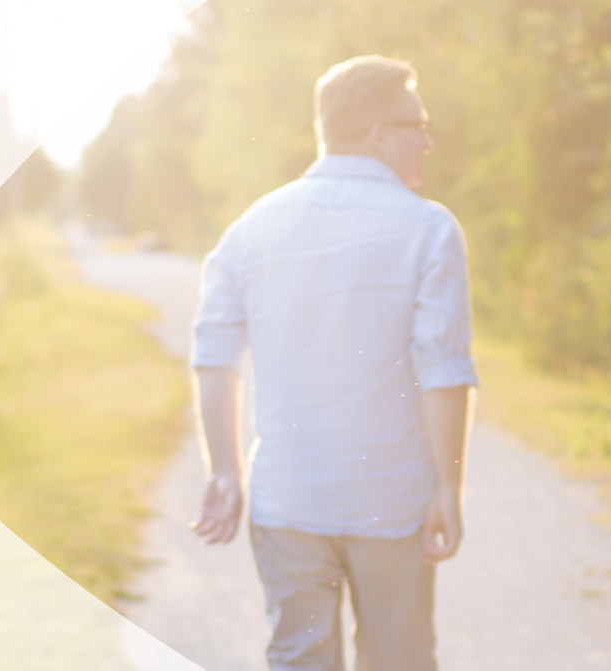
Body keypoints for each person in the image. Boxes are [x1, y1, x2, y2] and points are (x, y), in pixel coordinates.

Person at [186, 55, 479, 671]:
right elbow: (442, 370)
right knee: (399, 661)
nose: (427, 141)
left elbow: (214, 356)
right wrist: (448, 486)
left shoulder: (249, 229)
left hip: (287, 500)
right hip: (391, 501)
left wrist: (224, 470)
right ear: (377, 133)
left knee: (300, 660)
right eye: (417, 127)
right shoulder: (429, 229)